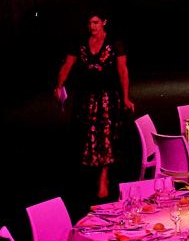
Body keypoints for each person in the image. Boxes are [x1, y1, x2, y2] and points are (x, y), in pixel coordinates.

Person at [54, 13, 132, 198]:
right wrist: (59, 85)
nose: (92, 26)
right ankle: (90, 177)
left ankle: (104, 177)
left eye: (96, 22)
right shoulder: (81, 42)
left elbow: (122, 70)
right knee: (87, 136)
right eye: (89, 23)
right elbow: (67, 64)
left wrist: (126, 97)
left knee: (106, 136)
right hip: (86, 97)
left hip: (107, 97)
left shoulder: (114, 43)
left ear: (104, 22)